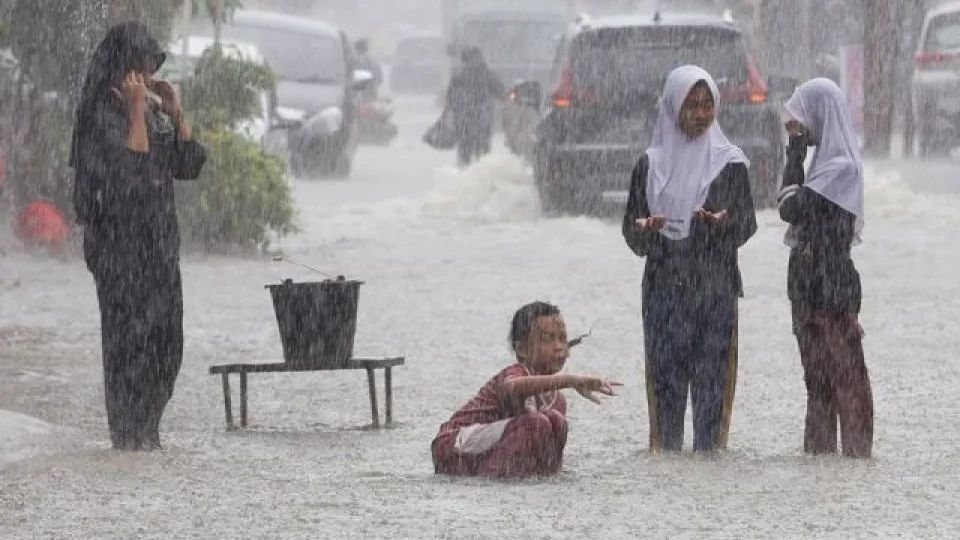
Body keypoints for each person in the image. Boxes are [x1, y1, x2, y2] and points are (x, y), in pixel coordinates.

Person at [69, 22, 206, 451]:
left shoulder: (150, 111)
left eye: (152, 68)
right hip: (119, 252)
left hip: (159, 248)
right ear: (124, 68)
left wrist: (174, 111)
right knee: (129, 344)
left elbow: (188, 164)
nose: (148, 77)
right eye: (142, 68)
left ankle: (149, 428)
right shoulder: (99, 114)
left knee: (167, 340)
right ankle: (129, 436)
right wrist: (133, 112)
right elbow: (128, 176)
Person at [622, 65, 757, 453]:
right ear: (672, 108)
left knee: (712, 394)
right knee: (665, 394)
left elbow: (747, 225)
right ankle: (667, 479)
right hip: (664, 292)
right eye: (692, 105)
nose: (701, 114)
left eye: (707, 104)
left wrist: (719, 225)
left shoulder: (730, 164)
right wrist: (646, 229)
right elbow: (632, 234)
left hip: (715, 292)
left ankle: (707, 481)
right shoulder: (649, 166)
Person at [779, 78, 873, 458]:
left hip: (831, 285)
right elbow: (789, 202)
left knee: (847, 380)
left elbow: (789, 206)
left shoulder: (840, 168)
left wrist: (794, 157)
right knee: (816, 384)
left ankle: (856, 461)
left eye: (802, 117)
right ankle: (819, 462)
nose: (797, 126)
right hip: (806, 284)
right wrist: (797, 158)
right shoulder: (820, 169)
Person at [431, 302, 621, 478]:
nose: (559, 347)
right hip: (453, 446)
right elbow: (513, 388)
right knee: (537, 422)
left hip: (487, 447)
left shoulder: (558, 400)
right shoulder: (515, 373)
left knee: (556, 421)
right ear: (521, 350)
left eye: (563, 339)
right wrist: (571, 380)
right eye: (547, 340)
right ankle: (492, 484)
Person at [445, 47, 505, 167]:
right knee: (482, 152)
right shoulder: (487, 73)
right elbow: (501, 93)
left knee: (464, 151)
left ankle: (465, 174)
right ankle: (482, 174)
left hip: (463, 120)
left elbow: (450, 96)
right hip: (483, 118)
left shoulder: (458, 74)